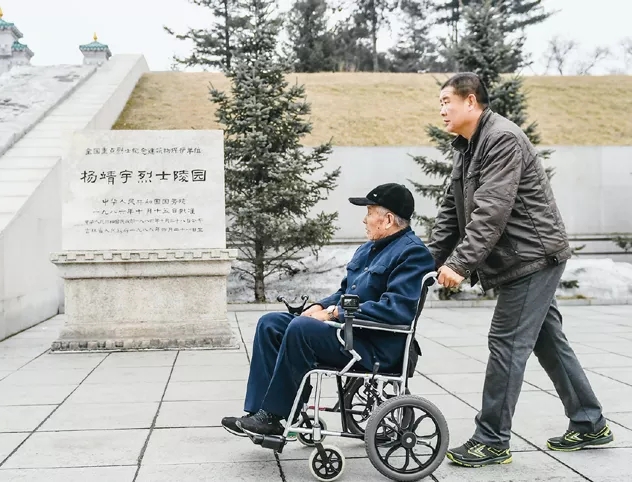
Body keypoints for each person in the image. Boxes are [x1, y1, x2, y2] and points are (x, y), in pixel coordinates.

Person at [428, 72, 612, 467]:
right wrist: (425, 263)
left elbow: (491, 210)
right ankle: (589, 422)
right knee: (549, 341)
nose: (441, 110)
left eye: (446, 101)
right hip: (522, 256)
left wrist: (459, 263)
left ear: (471, 101)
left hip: (532, 257)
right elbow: (450, 212)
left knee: (506, 342)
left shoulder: (502, 138)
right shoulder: (468, 146)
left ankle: (492, 439)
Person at [221, 183, 435, 437]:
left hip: (378, 346)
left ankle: (274, 414)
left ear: (388, 219)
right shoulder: (368, 248)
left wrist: (334, 314)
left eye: (369, 213)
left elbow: (395, 309)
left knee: (302, 328)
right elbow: (345, 292)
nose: (364, 220)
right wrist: (319, 306)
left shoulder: (413, 254)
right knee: (271, 324)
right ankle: (262, 413)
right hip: (351, 334)